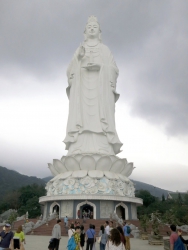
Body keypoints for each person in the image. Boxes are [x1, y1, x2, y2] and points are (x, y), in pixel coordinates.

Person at [64, 15, 122, 156]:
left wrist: (101, 67)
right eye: (89, 27)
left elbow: (114, 69)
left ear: (99, 32)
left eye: (94, 27)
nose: (91, 29)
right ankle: (78, 146)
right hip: (82, 88)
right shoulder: (79, 50)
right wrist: (78, 59)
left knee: (100, 117)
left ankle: (104, 147)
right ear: (85, 32)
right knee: (81, 117)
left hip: (100, 91)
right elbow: (70, 70)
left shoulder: (104, 50)